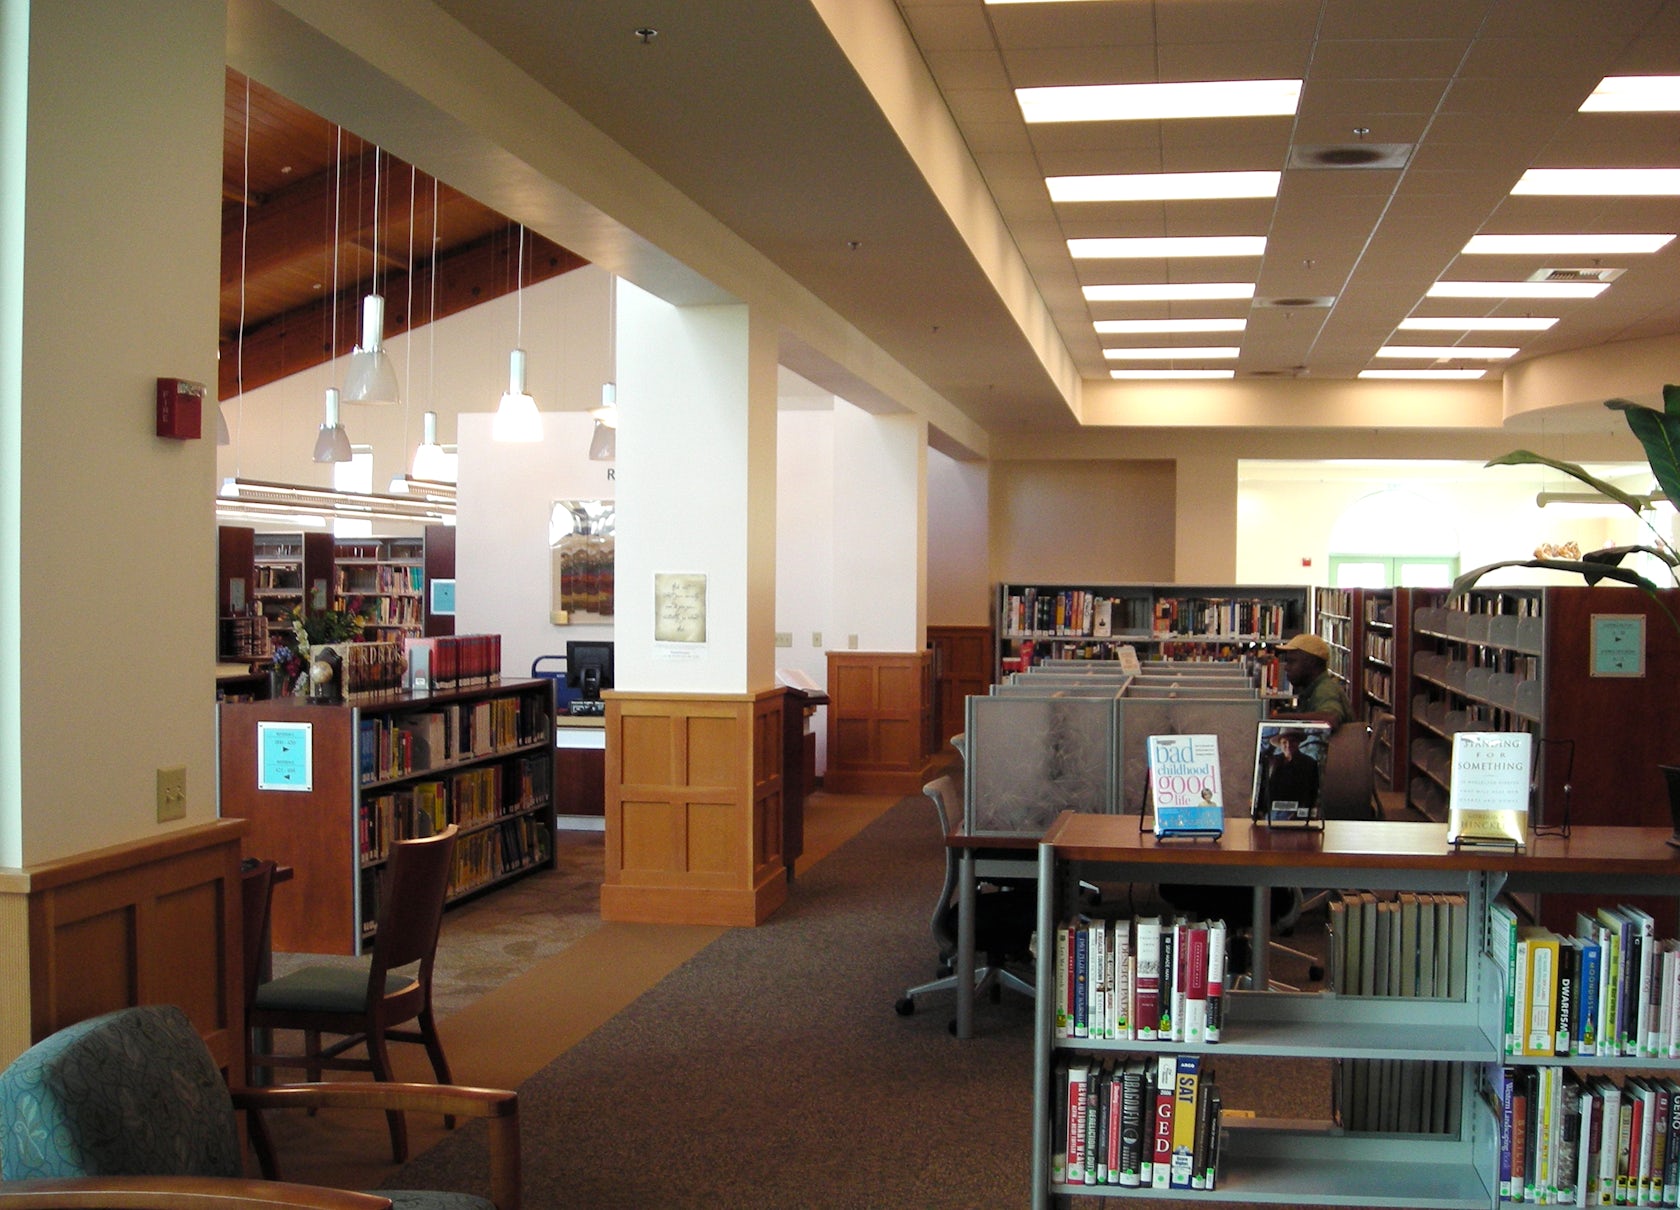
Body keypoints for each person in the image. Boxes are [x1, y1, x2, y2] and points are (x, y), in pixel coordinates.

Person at [1271, 633, 1354, 727]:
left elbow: (1331, 718)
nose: (1286, 668)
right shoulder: (1312, 688)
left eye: (1292, 661)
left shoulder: (1325, 689)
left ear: (1311, 663)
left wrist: (1283, 719)